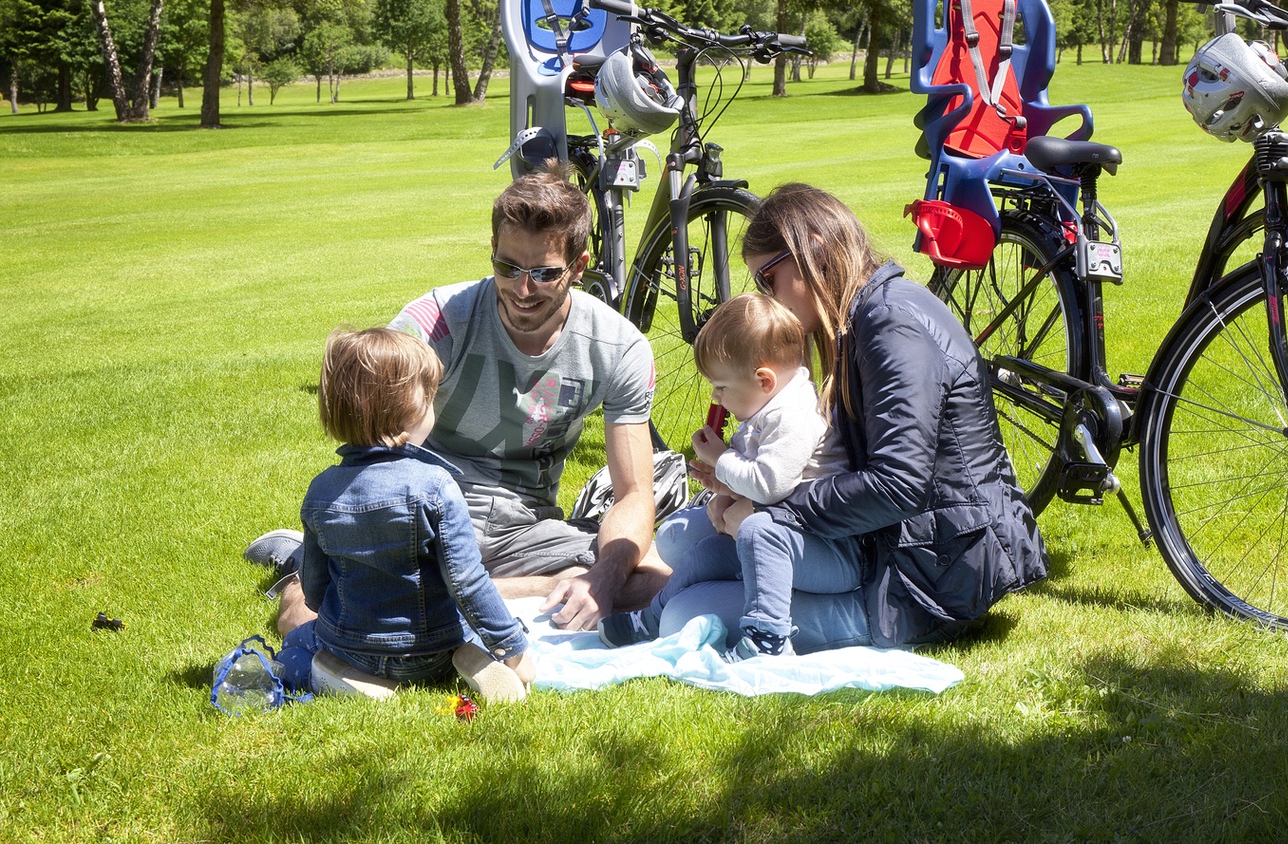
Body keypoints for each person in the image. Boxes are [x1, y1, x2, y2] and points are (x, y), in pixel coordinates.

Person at [249, 167, 673, 634]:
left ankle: (449, 591)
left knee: (653, 580)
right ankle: (312, 562)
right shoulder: (433, 323)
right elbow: (371, 446)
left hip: (526, 525)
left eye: (544, 273)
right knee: (304, 617)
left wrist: (602, 578)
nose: (522, 289)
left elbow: (634, 493)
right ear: (491, 252)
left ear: (578, 265)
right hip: (421, 509)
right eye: (507, 267)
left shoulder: (619, 347)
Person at [654, 183, 1049, 652]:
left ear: (814, 251)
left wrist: (771, 510)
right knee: (681, 541)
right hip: (889, 543)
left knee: (684, 614)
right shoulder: (859, 317)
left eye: (768, 278)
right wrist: (740, 487)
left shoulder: (891, 325)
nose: (768, 298)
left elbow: (899, 484)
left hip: (931, 575)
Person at [596, 292, 856, 658]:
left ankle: (767, 640)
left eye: (721, 387)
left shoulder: (793, 415)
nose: (716, 398)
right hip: (790, 541)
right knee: (705, 553)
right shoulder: (766, 407)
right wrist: (721, 485)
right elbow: (766, 484)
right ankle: (650, 620)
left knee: (755, 531)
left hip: (831, 554)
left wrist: (722, 460)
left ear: (764, 379)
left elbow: (769, 484)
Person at [288, 327, 536, 701]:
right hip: (433, 648)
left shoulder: (321, 490)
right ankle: (477, 659)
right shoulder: (435, 485)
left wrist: (336, 623)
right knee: (464, 627)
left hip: (352, 644)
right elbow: (467, 581)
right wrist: (512, 645)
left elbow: (314, 581)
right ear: (410, 409)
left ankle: (342, 670)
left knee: (297, 640)